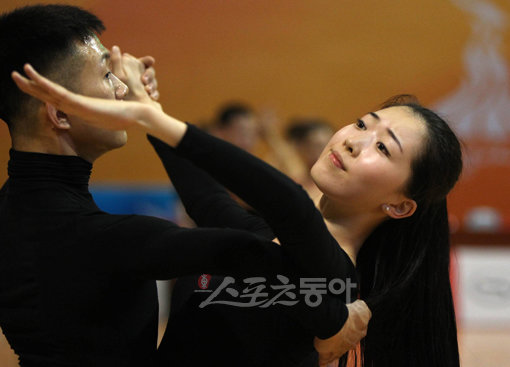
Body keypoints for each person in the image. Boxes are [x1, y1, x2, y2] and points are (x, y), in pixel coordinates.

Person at [11, 43, 463, 367]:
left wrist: (158, 121)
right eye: (364, 124)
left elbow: (291, 206)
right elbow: (207, 195)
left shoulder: (336, 281)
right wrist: (145, 106)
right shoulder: (255, 235)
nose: (354, 142)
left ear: (401, 206)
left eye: (384, 149)